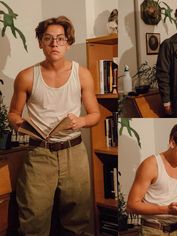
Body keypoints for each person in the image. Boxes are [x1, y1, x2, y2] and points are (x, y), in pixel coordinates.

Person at [8, 16, 100, 236]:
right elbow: (13, 113)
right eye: (48, 39)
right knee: (33, 221)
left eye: (60, 39)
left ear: (68, 43)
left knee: (76, 221)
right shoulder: (26, 76)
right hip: (39, 153)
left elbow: (95, 114)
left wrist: (81, 121)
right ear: (40, 43)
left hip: (74, 152)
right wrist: (20, 123)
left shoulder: (82, 74)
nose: (54, 44)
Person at [127, 121, 177, 236]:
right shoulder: (150, 165)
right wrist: (166, 210)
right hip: (153, 230)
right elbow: (131, 205)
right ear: (172, 142)